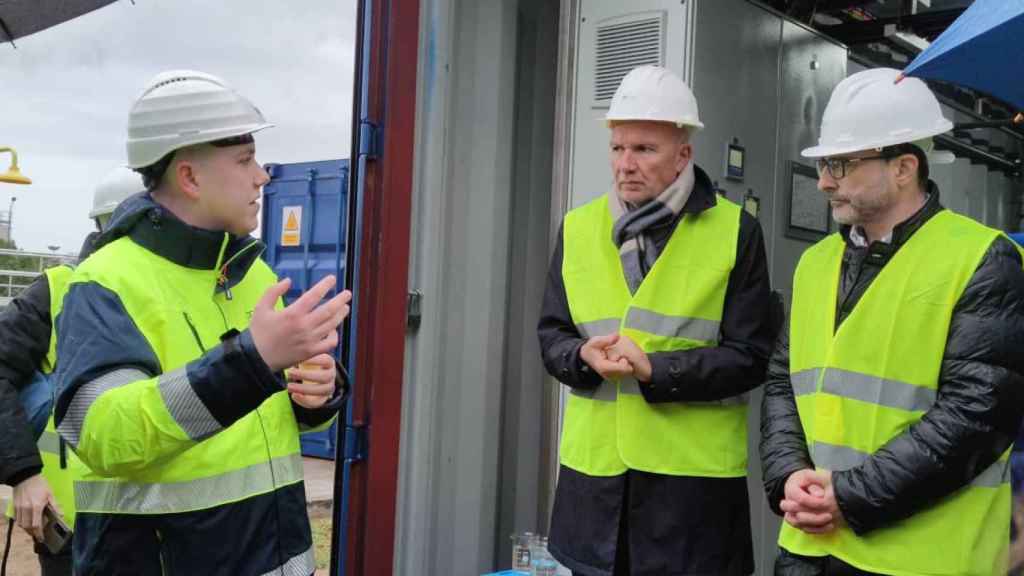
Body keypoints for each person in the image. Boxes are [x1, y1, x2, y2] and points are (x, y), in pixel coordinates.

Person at [53, 70, 351, 576]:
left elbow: (266, 418)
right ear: (189, 177)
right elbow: (102, 433)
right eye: (244, 160)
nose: (263, 175)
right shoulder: (106, 281)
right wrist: (252, 361)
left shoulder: (250, 271)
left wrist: (317, 396)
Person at [760, 67, 1024, 576]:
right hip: (810, 548)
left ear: (903, 168)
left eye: (840, 164)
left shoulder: (983, 259)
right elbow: (783, 382)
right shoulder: (816, 262)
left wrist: (849, 497)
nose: (823, 181)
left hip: (922, 559)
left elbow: (975, 416)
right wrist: (786, 475)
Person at [537, 65, 775, 575]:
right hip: (593, 491)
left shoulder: (737, 232)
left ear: (684, 154)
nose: (626, 164)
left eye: (644, 149)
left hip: (692, 500)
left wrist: (656, 371)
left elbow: (752, 358)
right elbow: (551, 334)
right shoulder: (577, 229)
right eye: (618, 148)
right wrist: (578, 356)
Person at [0, 166, 140, 575]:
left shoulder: (172, 295)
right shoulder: (57, 289)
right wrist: (23, 474)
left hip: (165, 523)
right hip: (73, 524)